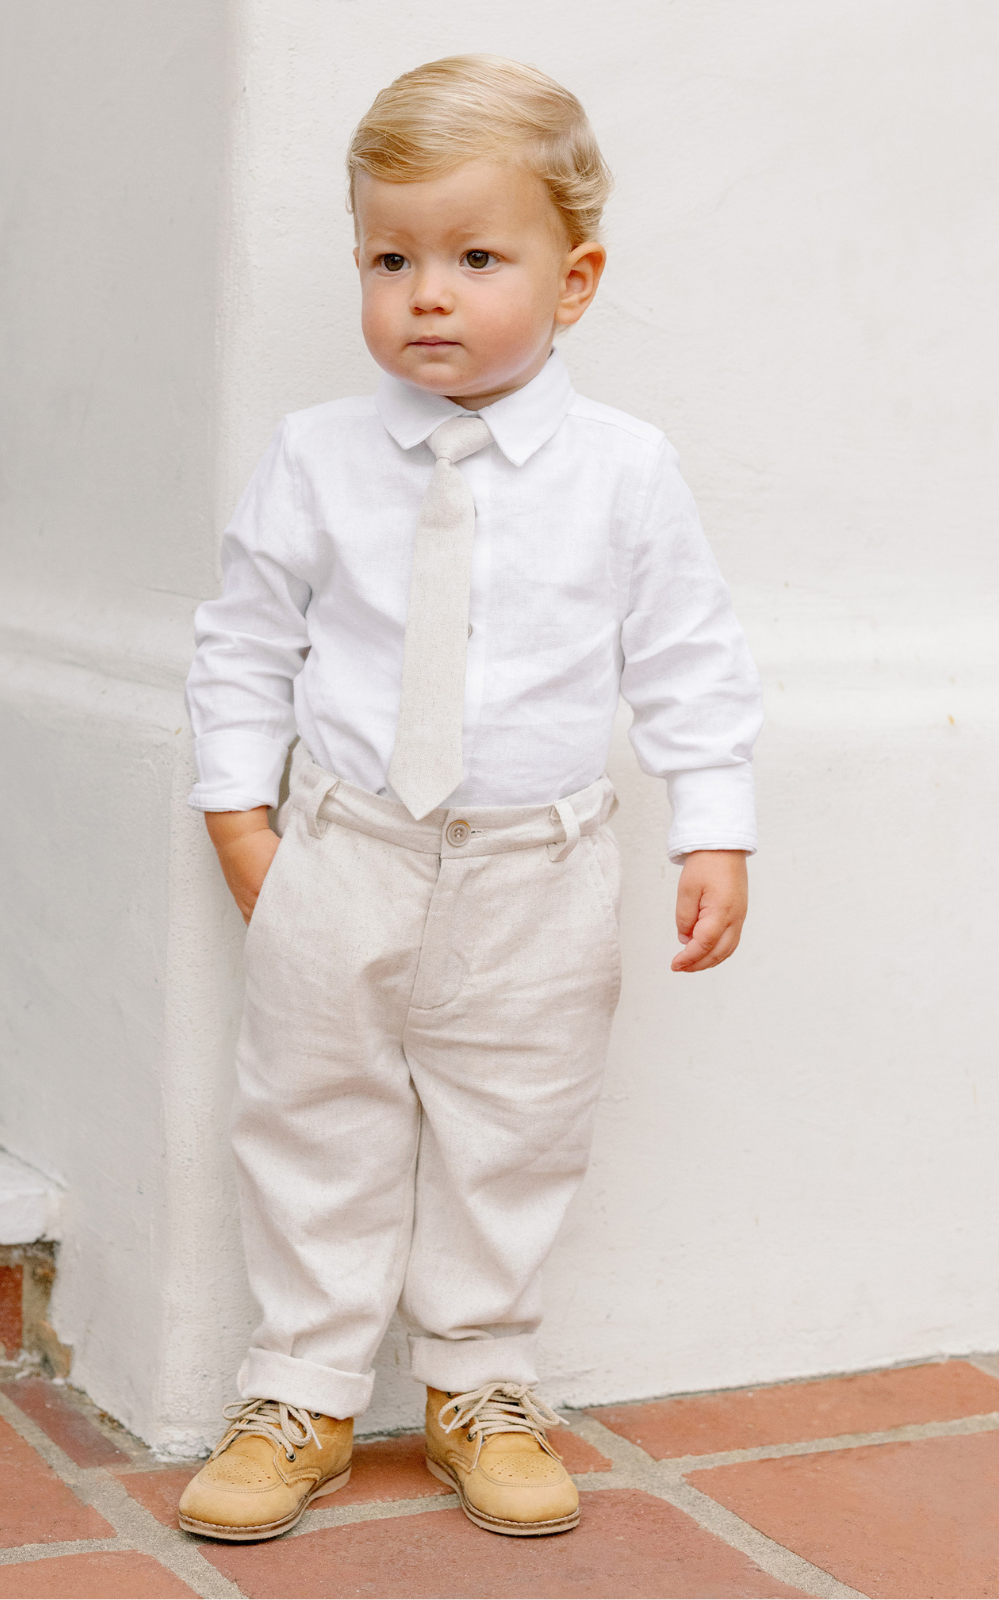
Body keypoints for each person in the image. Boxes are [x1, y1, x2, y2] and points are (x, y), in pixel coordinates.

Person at [178, 54, 762, 1543]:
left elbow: (689, 655)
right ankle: (301, 1386)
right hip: (347, 846)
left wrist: (716, 821)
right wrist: (242, 817)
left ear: (576, 281)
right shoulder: (316, 457)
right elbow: (246, 636)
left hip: (538, 865)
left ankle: (481, 1381)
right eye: (391, 258)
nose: (425, 294)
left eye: (475, 257)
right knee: (312, 1109)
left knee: (518, 1119)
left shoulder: (626, 474)